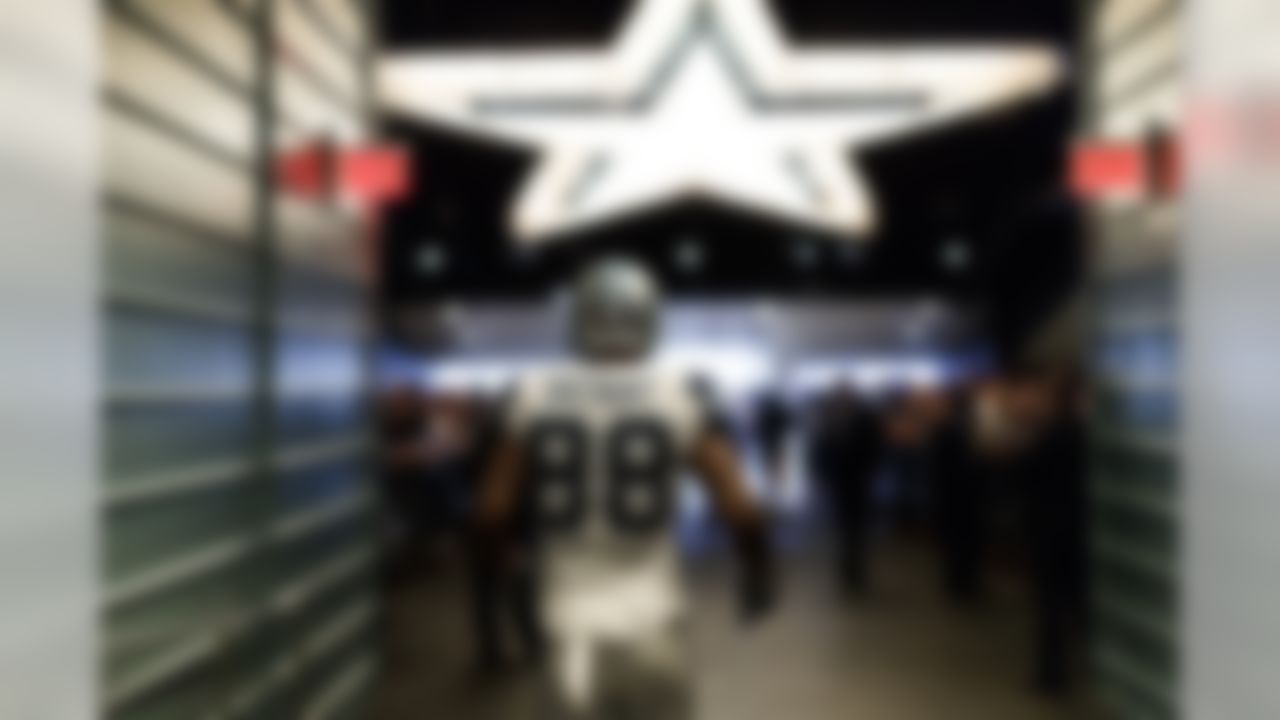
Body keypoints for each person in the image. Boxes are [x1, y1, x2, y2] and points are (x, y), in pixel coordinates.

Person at [474, 257, 776, 720]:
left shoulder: (530, 391)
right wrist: (758, 572)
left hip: (568, 628)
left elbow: (492, 512)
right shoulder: (681, 391)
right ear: (650, 318)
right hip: (655, 624)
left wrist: (504, 568)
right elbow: (743, 510)